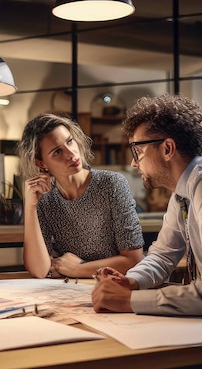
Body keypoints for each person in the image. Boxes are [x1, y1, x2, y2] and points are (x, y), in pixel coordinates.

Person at [91, 93, 202, 369]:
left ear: (167, 148)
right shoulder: (185, 188)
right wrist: (131, 281)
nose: (133, 162)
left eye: (137, 151)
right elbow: (164, 254)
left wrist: (128, 301)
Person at [17, 112, 144, 279]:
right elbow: (39, 270)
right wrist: (30, 206)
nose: (70, 153)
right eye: (57, 152)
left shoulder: (111, 184)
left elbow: (133, 260)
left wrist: (78, 269)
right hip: (75, 291)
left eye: (70, 141)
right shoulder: (45, 198)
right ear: (40, 163)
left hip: (118, 285)